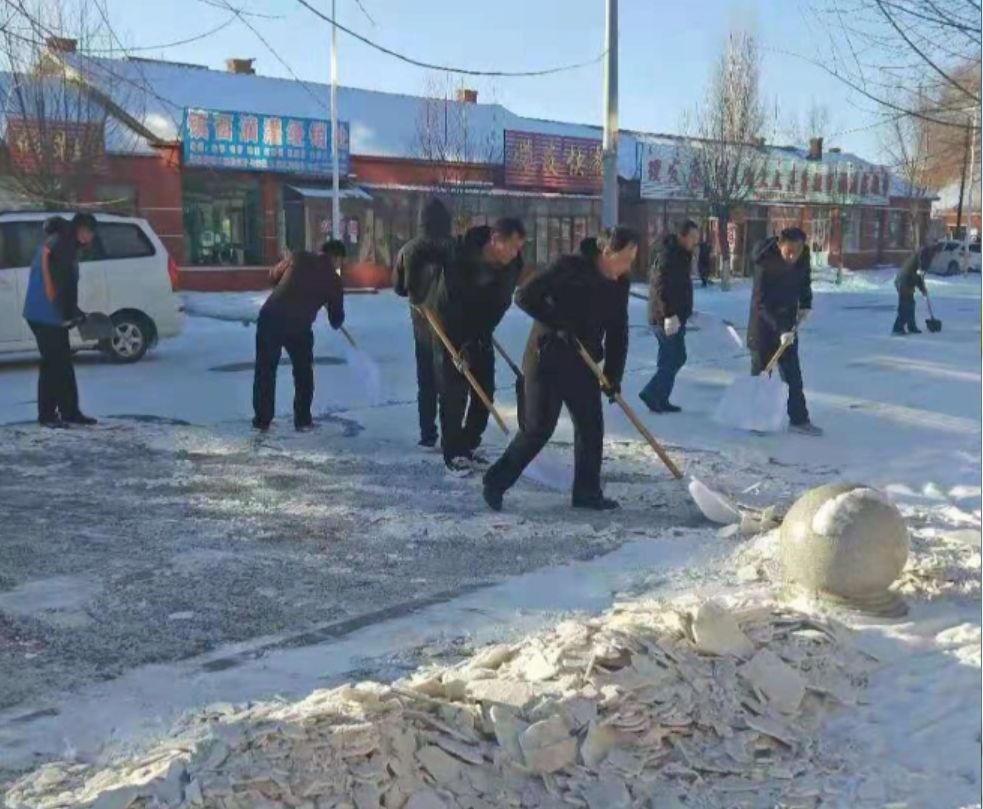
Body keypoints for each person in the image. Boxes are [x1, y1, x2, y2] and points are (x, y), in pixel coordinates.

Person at [482, 226, 639, 512]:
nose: (628, 266)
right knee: (538, 429)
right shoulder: (569, 267)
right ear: (607, 252)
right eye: (625, 258)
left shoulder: (619, 284)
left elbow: (618, 332)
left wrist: (613, 376)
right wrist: (558, 323)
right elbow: (525, 296)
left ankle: (587, 493)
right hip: (547, 357)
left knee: (591, 427)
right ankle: (495, 481)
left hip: (583, 362)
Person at [427, 217, 526, 471]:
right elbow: (454, 299)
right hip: (449, 327)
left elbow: (499, 303)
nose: (516, 253)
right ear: (495, 240)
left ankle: (468, 443)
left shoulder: (513, 266)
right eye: (513, 246)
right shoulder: (461, 252)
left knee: (484, 391)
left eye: (519, 248)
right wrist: (412, 287)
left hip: (482, 329)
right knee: (454, 391)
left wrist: (478, 335)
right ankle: (453, 451)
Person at [252, 240, 345, 431]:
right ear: (336, 257)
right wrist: (329, 302)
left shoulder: (298, 256)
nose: (339, 266)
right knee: (303, 373)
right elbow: (336, 321)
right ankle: (302, 419)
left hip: (270, 318)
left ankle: (262, 420)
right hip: (298, 327)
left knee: (266, 370)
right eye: (340, 262)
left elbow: (272, 277)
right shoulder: (334, 281)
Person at [22, 212, 99, 428]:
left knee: (57, 363)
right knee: (56, 364)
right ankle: (55, 414)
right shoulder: (64, 246)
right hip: (46, 314)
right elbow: (61, 285)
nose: (92, 238)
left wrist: (72, 312)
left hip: (42, 311)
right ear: (83, 231)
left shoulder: (60, 241)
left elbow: (60, 284)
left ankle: (63, 412)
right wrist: (70, 314)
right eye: (91, 233)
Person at [747, 226, 820, 436]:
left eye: (797, 251)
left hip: (787, 323)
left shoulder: (802, 255)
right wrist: (780, 330)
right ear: (780, 245)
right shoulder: (764, 261)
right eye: (789, 251)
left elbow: (804, 278)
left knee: (793, 376)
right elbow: (761, 304)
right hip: (762, 327)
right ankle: (754, 420)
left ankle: (799, 420)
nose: (793, 256)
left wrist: (806, 303)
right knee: (762, 377)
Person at [392, 198, 452, 448]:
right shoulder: (452, 247)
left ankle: (428, 435)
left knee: (426, 382)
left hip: (422, 326)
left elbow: (399, 289)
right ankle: (453, 435)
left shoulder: (408, 249)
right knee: (450, 383)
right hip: (451, 325)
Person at [639, 219, 698, 414]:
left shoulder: (681, 255)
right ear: (681, 236)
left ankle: (660, 397)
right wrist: (668, 314)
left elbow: (680, 287)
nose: (695, 241)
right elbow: (660, 287)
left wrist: (686, 310)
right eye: (692, 237)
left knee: (674, 357)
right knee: (672, 357)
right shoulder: (669, 255)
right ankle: (651, 393)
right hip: (665, 318)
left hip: (675, 317)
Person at [892, 245, 932, 335]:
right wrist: (923, 289)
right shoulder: (916, 261)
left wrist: (923, 289)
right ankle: (897, 328)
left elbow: (918, 277)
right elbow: (917, 278)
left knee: (911, 304)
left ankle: (911, 326)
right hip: (903, 282)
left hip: (907, 282)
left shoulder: (917, 259)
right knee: (905, 306)